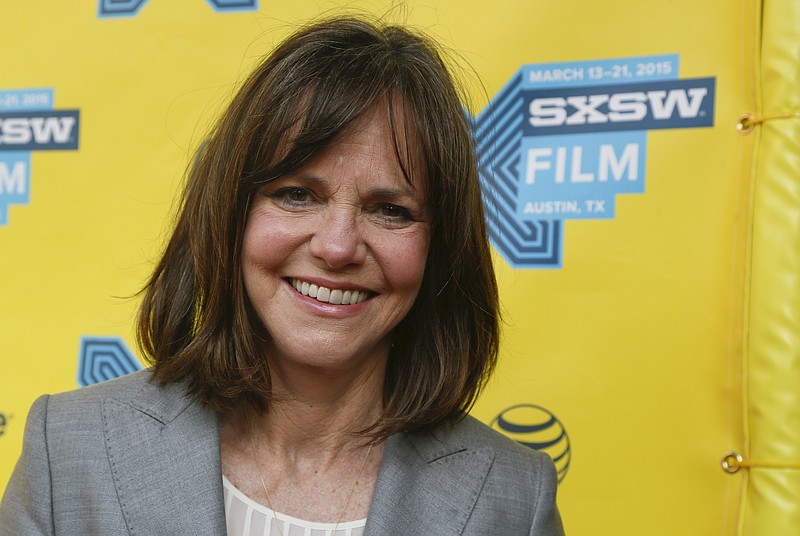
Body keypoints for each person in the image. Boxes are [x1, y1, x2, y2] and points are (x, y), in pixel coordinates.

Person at [0, 16, 564, 536]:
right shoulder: (69, 450)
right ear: (230, 214)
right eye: (297, 195)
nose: (338, 246)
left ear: (439, 248)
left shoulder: (512, 500)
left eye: (391, 210)